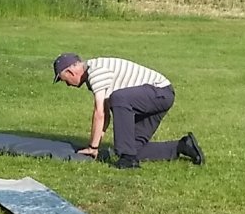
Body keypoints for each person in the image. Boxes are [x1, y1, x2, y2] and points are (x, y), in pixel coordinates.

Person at [53, 53, 204, 170]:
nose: (67, 85)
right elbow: (104, 115)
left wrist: (92, 148)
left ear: (70, 71)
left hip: (159, 92)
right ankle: (182, 146)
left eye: (64, 79)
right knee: (134, 148)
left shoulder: (95, 72)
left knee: (119, 98)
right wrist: (95, 146)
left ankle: (127, 160)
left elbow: (99, 113)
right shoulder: (95, 71)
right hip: (159, 96)